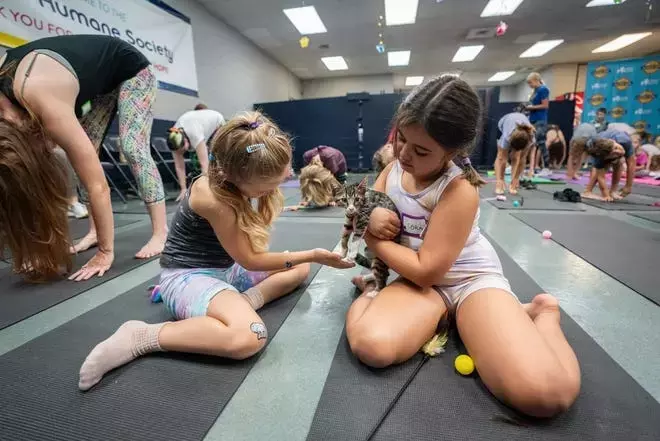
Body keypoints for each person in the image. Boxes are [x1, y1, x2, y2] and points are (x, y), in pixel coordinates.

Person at [346, 75, 580, 418]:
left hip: (470, 281)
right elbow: (363, 206)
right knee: (372, 346)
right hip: (420, 285)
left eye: (421, 150)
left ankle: (541, 312)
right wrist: (369, 217)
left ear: (452, 152)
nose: (405, 154)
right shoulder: (394, 169)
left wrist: (368, 234)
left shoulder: (458, 192)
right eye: (401, 139)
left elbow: (426, 271)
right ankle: (374, 293)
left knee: (545, 395)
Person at [78, 112, 354, 391]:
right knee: (250, 336)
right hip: (188, 278)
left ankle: (241, 303)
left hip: (226, 270)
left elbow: (245, 258)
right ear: (240, 178)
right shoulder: (215, 199)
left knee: (297, 267)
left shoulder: (234, 176)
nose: (278, 185)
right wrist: (314, 254)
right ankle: (142, 336)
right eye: (267, 187)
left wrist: (305, 257)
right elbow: (250, 259)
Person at [0, 35, 167, 281]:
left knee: (133, 147)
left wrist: (105, 253)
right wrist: (37, 248)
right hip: (97, 83)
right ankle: (94, 231)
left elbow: (98, 185)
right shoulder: (14, 110)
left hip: (132, 69)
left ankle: (160, 231)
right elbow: (28, 181)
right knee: (81, 151)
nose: (8, 120)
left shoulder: (39, 95)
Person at [167, 109, 225, 201]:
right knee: (197, 161)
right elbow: (179, 166)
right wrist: (183, 189)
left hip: (217, 123)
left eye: (182, 150)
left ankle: (219, 186)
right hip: (196, 122)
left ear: (185, 140)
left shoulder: (194, 134)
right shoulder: (174, 138)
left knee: (216, 156)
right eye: (178, 151)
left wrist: (205, 191)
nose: (180, 153)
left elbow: (204, 164)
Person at [582, 128, 634, 201]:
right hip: (592, 145)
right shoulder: (599, 155)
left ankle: (613, 191)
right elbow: (601, 176)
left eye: (616, 148)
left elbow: (631, 163)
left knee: (618, 163)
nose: (619, 152)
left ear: (613, 141)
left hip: (606, 140)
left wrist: (628, 186)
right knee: (598, 168)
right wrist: (605, 195)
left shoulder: (625, 141)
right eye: (614, 153)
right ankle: (587, 191)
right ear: (606, 157)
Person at [494, 112, 535, 195]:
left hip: (521, 131)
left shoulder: (531, 139)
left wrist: (516, 179)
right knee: (501, 156)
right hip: (503, 123)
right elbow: (502, 159)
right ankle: (499, 183)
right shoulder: (506, 136)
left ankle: (513, 182)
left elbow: (523, 159)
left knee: (517, 157)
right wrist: (500, 179)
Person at [525, 72, 551, 176]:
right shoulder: (535, 91)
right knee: (531, 143)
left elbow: (545, 105)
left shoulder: (543, 89)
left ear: (536, 80)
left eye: (530, 83)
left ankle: (547, 167)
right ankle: (532, 167)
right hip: (532, 119)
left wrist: (531, 108)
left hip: (540, 120)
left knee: (541, 142)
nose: (529, 85)